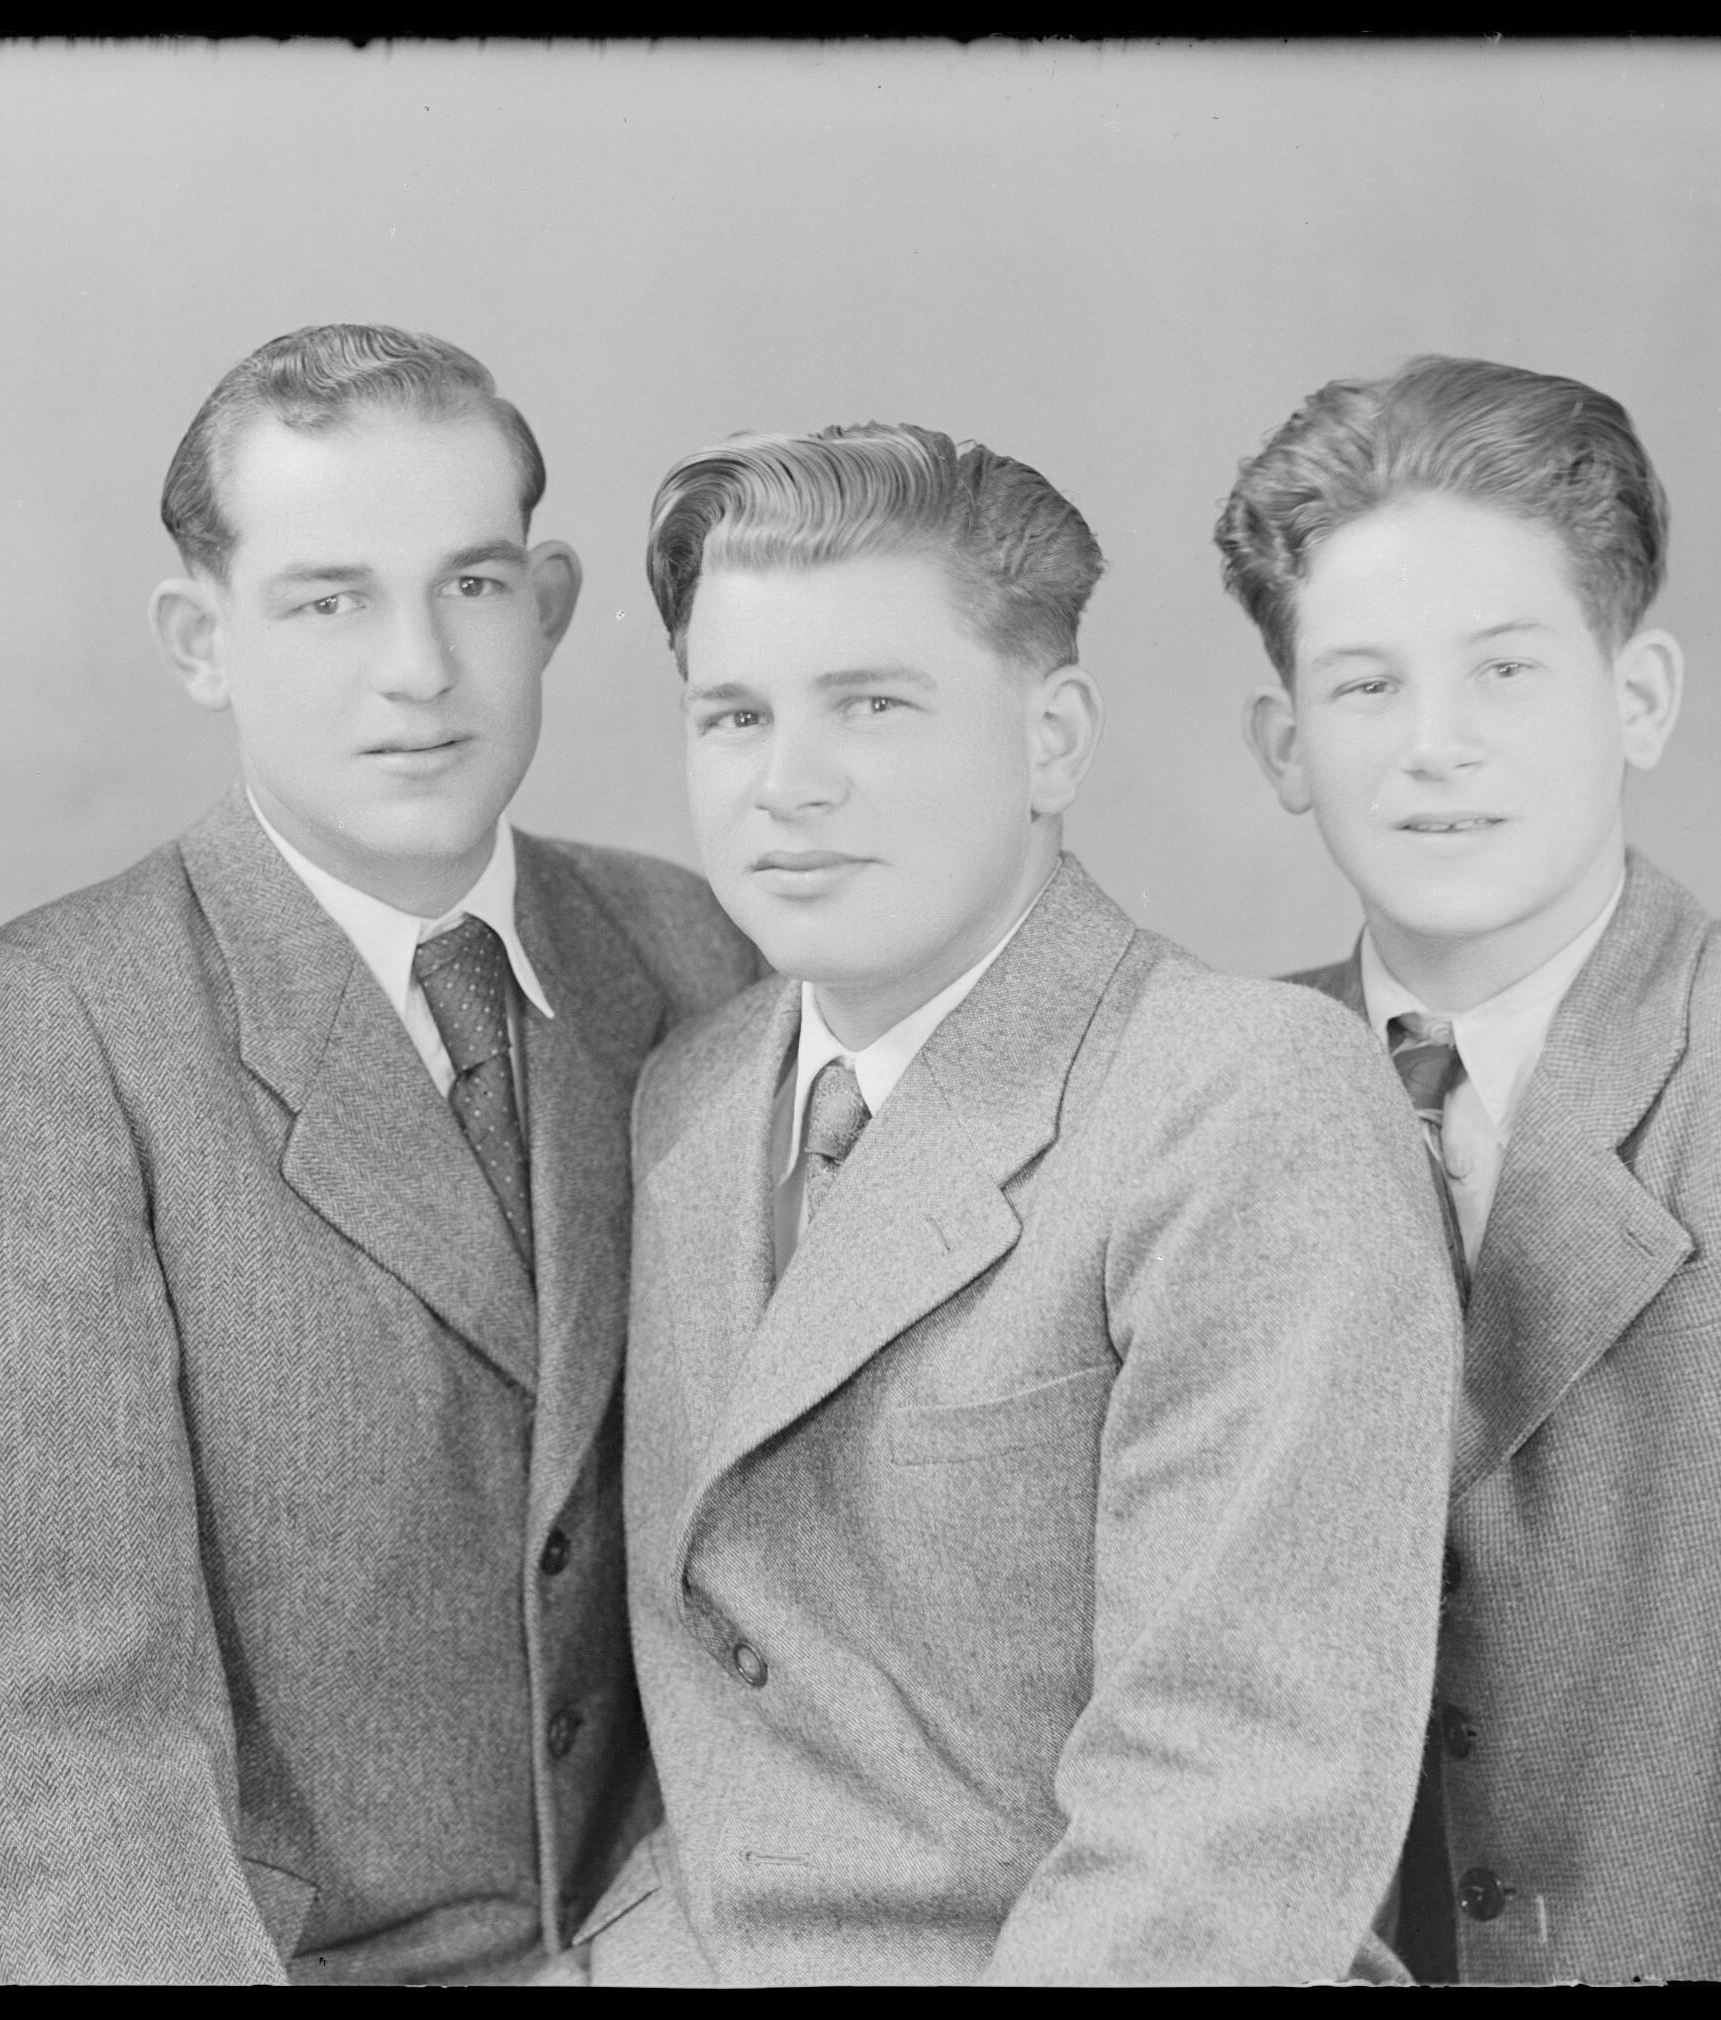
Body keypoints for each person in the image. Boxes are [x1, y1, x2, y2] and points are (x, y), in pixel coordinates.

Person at [0, 325, 760, 1984]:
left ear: (551, 605)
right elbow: (61, 1744)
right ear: (199, 641)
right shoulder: (63, 1024)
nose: (418, 669)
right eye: (328, 601)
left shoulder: (694, 947)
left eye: (472, 587)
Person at [574, 421, 1463, 1985]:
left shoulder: (1245, 1098)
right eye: (734, 715)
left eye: (874, 705)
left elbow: (1235, 1813)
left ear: (1053, 741)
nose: (788, 784)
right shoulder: (690, 1097)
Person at [1219, 354, 1721, 1985]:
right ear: (1284, 744)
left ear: (1637, 698)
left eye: (1506, 670)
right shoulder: (1223, 1081)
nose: (1437, 747)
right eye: (1364, 688)